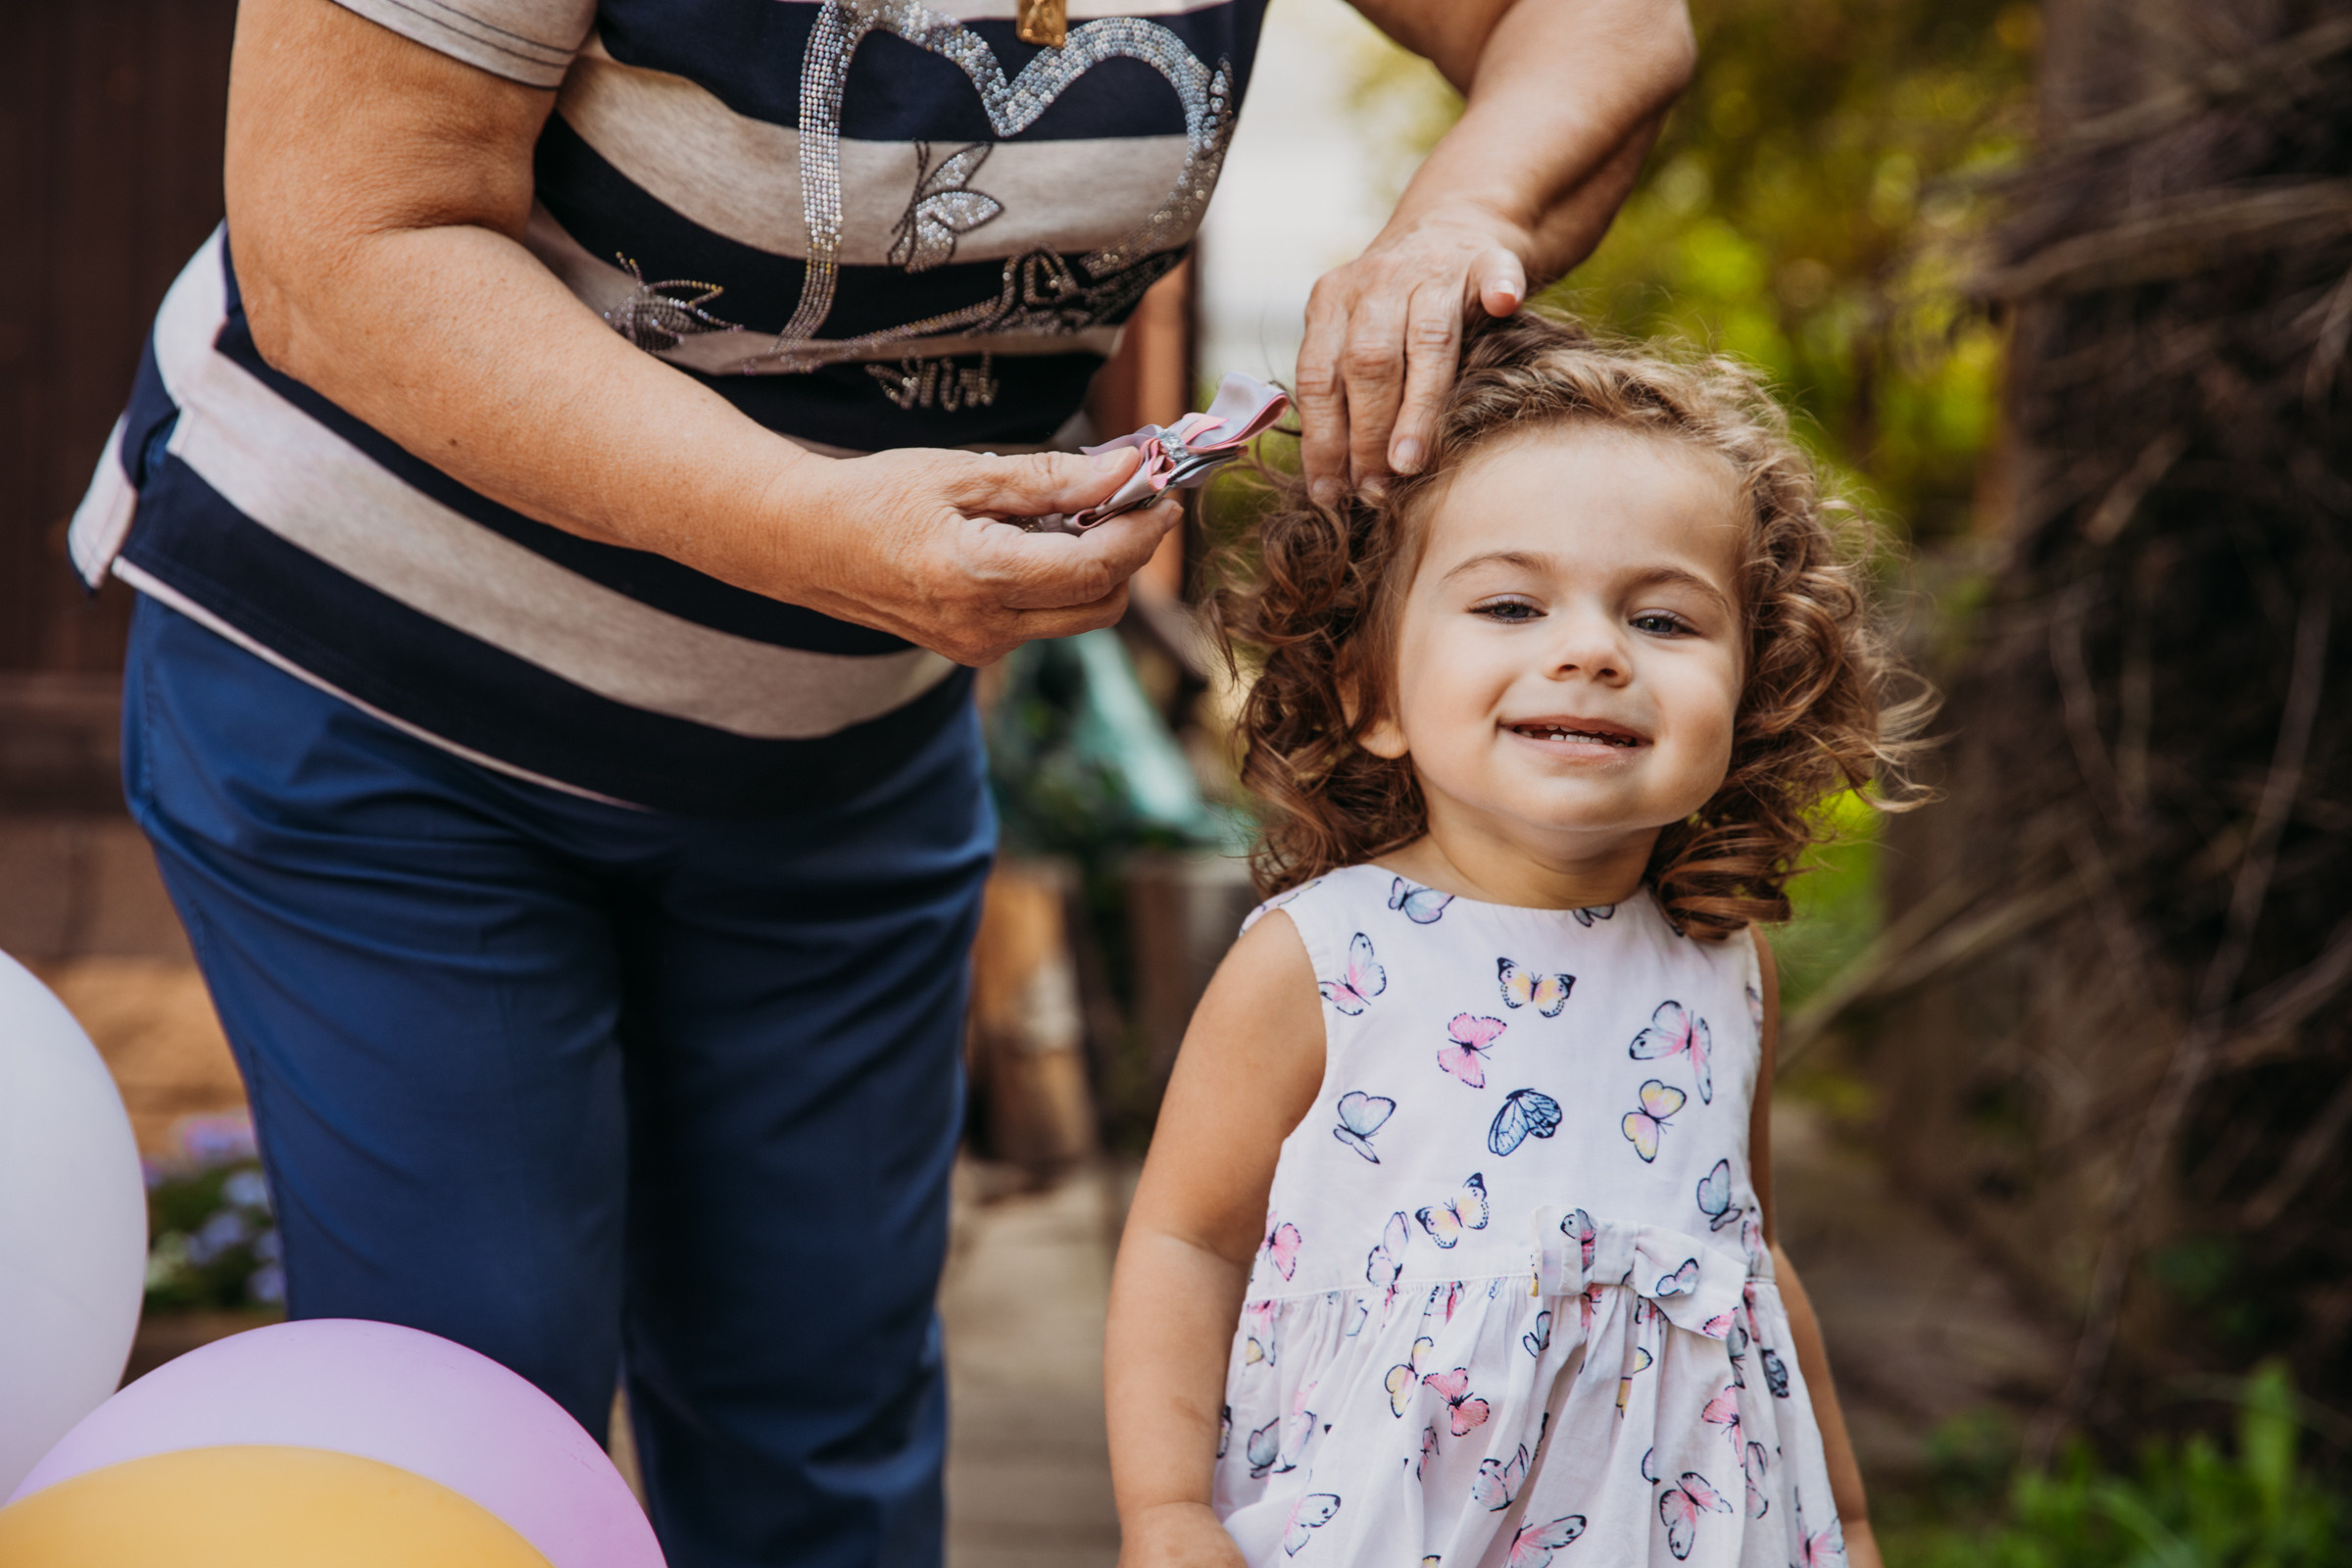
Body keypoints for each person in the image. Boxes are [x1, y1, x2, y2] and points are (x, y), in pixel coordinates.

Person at [69, 0, 1692, 1561]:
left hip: (848, 739)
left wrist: (1447, 226)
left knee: (823, 1438)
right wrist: (823, 536)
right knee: (475, 1406)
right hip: (387, 700)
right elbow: (348, 242)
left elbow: (1605, 23)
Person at [1103, 312, 1926, 1568]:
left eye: (1663, 621)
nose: (1591, 650)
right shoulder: (1318, 959)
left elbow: (1742, 1250)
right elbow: (1187, 1241)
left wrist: (1849, 1522)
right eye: (1510, 603)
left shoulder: (1723, 964)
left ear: (1751, 693)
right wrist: (1163, 1512)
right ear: (1372, 690)